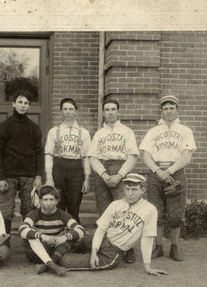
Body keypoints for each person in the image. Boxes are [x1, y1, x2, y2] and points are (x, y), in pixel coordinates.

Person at [59, 174, 167, 277]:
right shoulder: (115, 204)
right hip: (103, 240)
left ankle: (50, 259)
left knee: (65, 260)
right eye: (127, 189)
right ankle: (50, 256)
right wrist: (94, 252)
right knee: (69, 240)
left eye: (134, 190)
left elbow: (147, 238)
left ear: (142, 190)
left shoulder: (150, 209)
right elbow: (101, 230)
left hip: (111, 254)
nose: (130, 193)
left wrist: (147, 267)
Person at [139, 95, 197, 261]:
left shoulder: (185, 131)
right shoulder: (153, 131)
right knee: (156, 211)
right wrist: (158, 171)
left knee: (175, 212)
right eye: (165, 108)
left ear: (177, 109)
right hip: (156, 172)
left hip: (176, 172)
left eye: (172, 108)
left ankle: (174, 247)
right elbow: (146, 155)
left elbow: (186, 157)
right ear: (161, 111)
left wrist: (169, 171)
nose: (169, 111)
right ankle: (158, 247)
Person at [88, 98, 139, 263]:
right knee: (104, 211)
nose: (110, 112)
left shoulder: (126, 131)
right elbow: (93, 157)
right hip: (102, 171)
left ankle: (128, 248)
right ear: (103, 112)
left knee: (124, 210)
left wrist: (119, 175)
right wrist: (103, 174)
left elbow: (132, 157)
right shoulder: (99, 133)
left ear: (118, 112)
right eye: (107, 109)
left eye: (113, 109)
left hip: (119, 168)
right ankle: (107, 246)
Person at [0, 89, 44, 235]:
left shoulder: (34, 128)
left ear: (29, 106)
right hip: (8, 176)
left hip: (29, 176)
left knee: (29, 210)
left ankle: (29, 243)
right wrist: (0, 177)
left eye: (26, 103)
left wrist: (38, 176)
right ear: (13, 104)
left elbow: (39, 152)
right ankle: (4, 243)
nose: (23, 105)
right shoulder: (4, 126)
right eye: (20, 102)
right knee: (5, 211)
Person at [18, 185, 86, 277]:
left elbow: (81, 229)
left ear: (57, 201)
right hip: (39, 250)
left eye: (51, 199)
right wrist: (43, 236)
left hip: (56, 247)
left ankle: (49, 264)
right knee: (30, 236)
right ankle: (53, 263)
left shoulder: (62, 214)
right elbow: (21, 229)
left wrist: (62, 238)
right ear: (40, 201)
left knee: (74, 236)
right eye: (45, 200)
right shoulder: (34, 214)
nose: (48, 203)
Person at [44, 98, 91, 223]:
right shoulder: (54, 131)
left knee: (74, 202)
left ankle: (74, 232)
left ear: (76, 112)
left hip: (76, 168)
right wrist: (49, 176)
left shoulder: (84, 132)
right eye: (65, 109)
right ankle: (58, 228)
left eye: (71, 109)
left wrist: (87, 178)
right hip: (59, 166)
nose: (68, 112)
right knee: (58, 201)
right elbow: (49, 154)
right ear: (61, 112)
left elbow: (86, 156)